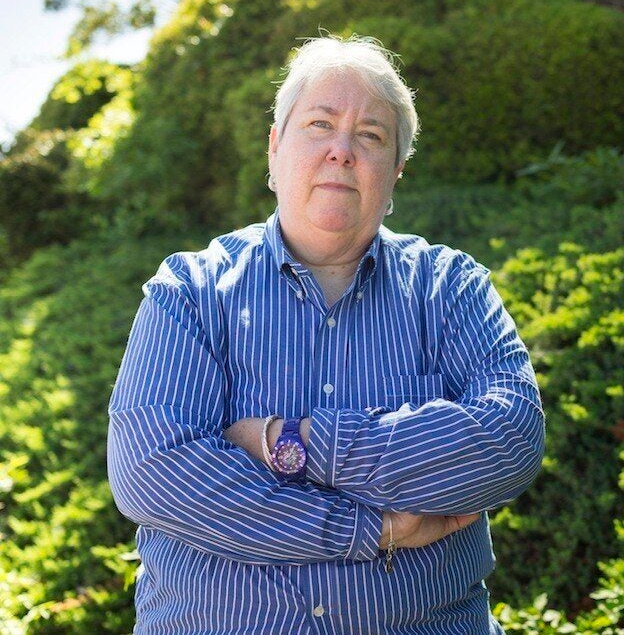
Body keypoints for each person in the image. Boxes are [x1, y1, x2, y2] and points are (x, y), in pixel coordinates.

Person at [107, 35, 545, 634]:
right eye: (320, 124)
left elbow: (510, 442)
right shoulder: (191, 290)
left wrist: (291, 442)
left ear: (396, 171)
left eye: (370, 135)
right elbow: (150, 474)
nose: (342, 150)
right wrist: (376, 529)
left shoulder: (451, 288)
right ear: (274, 149)